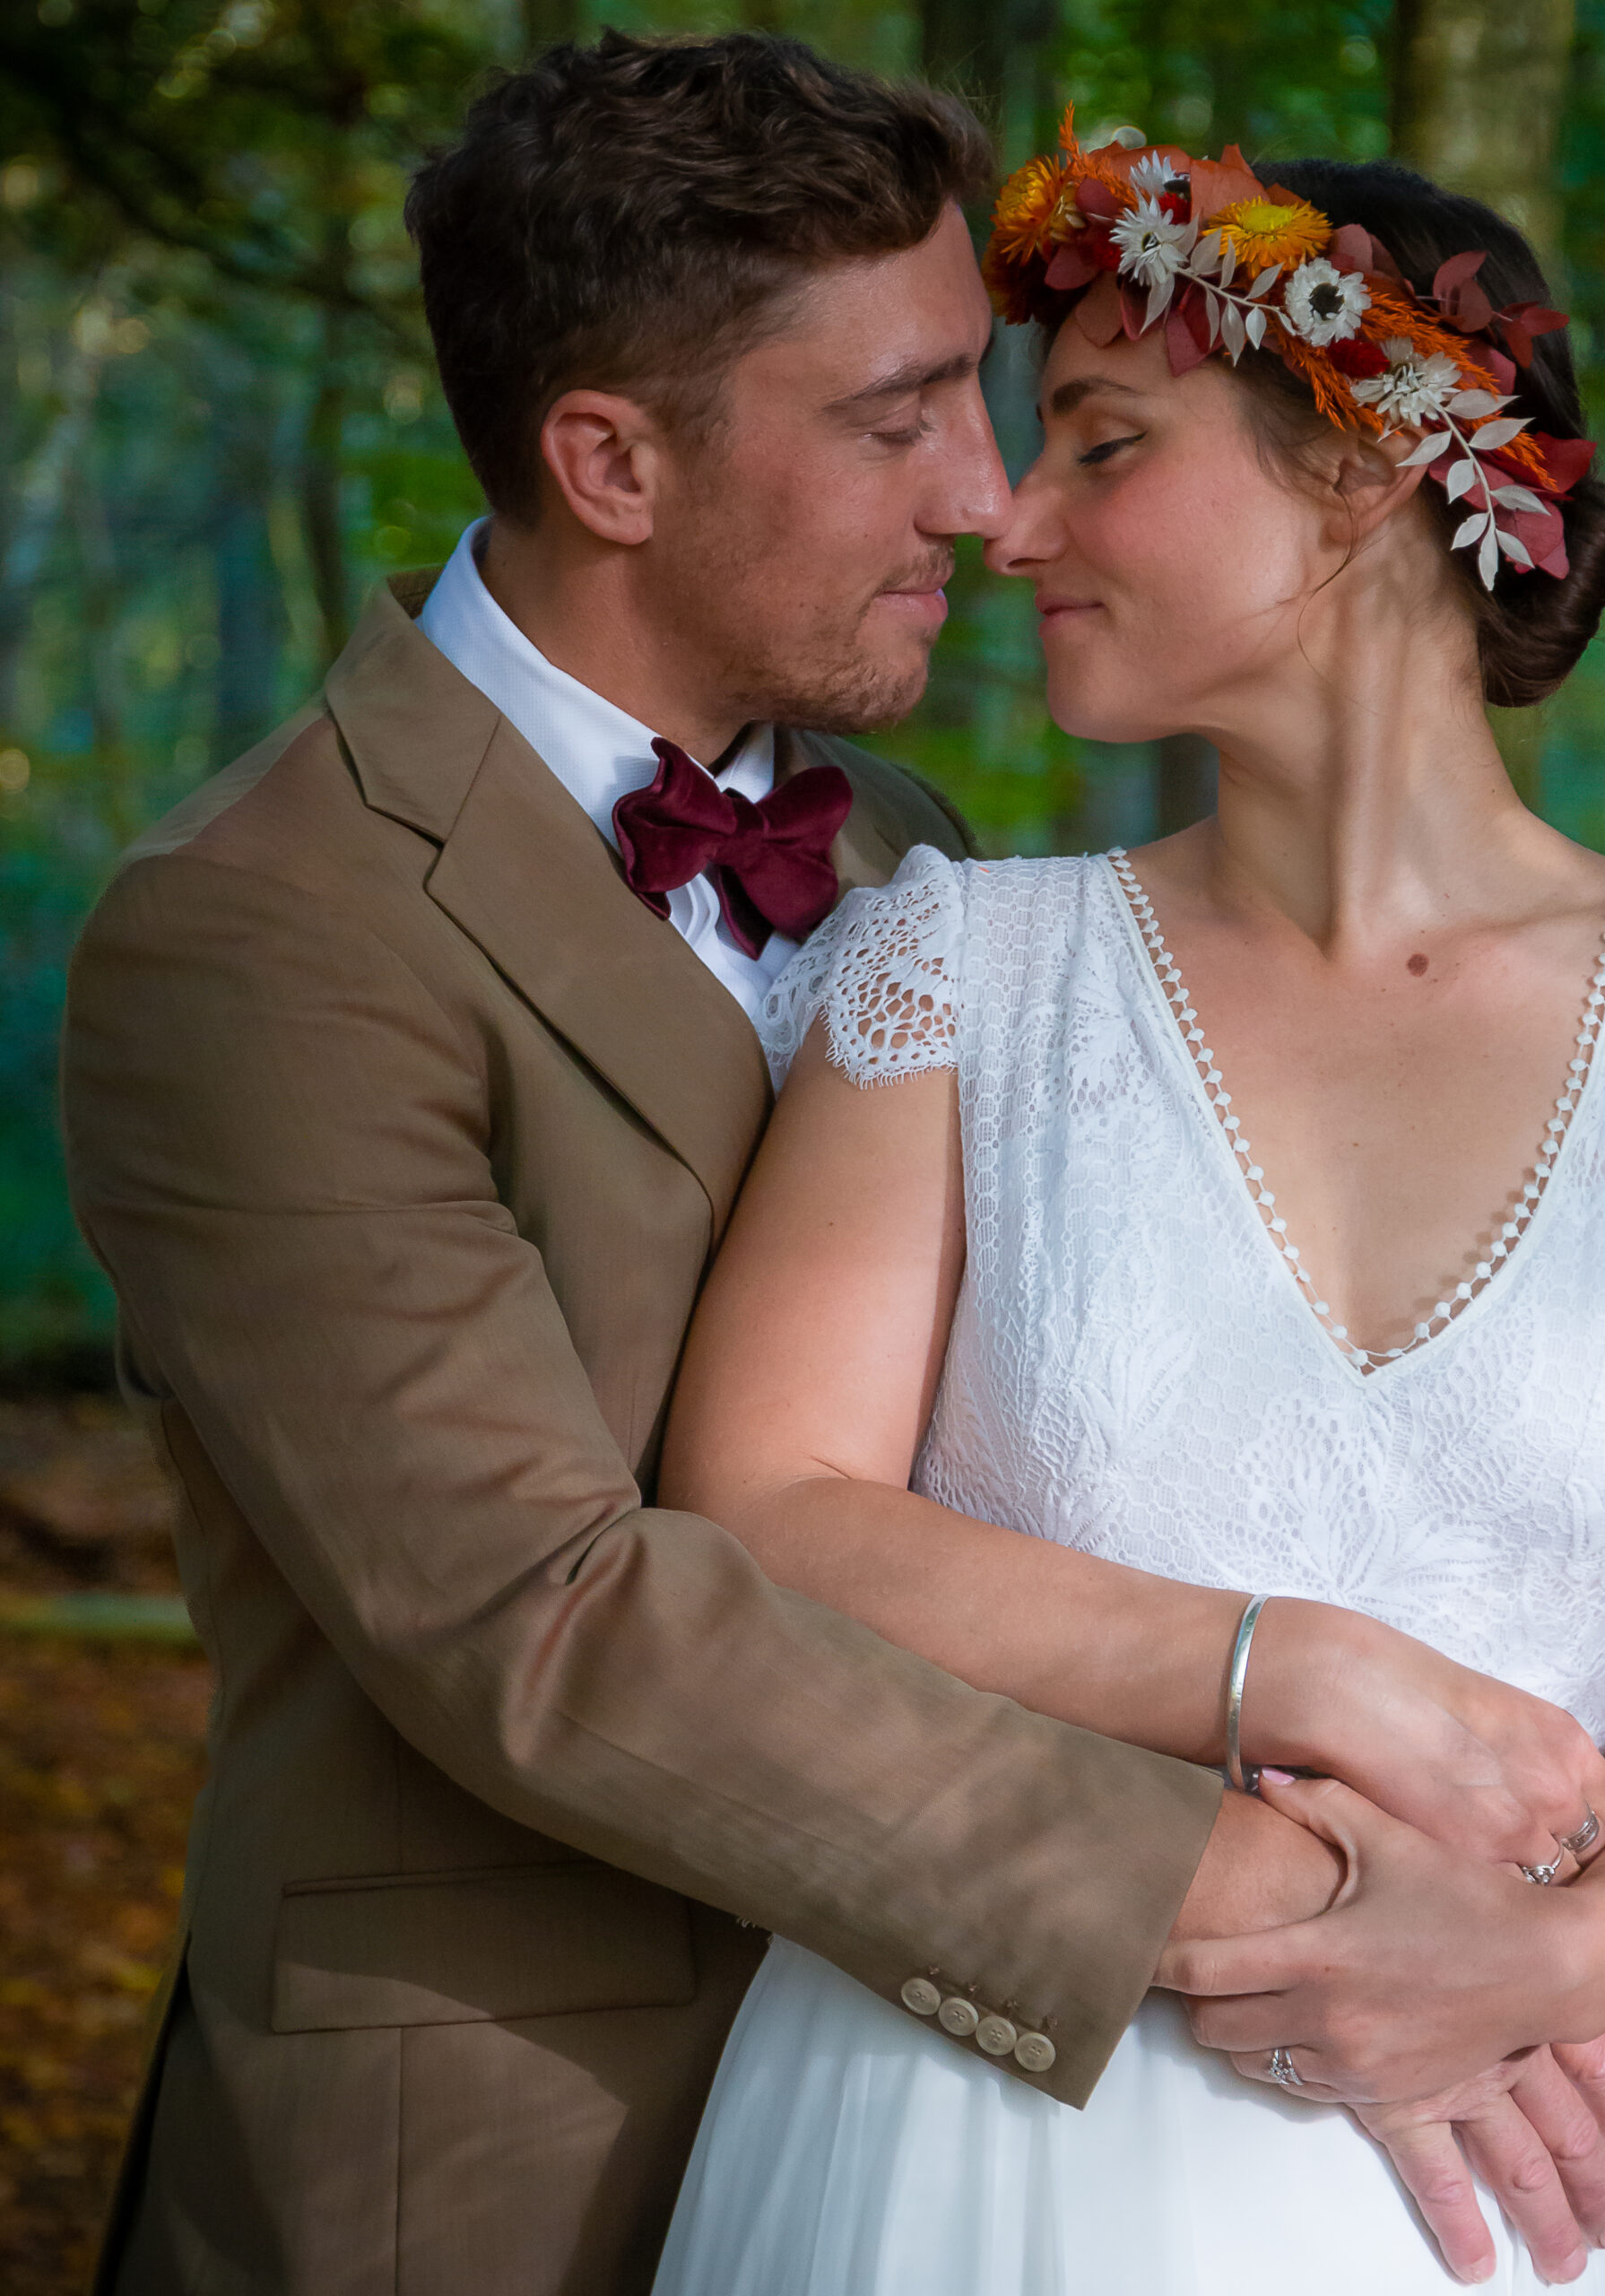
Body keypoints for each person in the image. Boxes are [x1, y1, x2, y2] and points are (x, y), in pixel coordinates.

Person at [59, 39, 1361, 2293]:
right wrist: (1239, 1891)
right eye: (897, 417)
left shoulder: (912, 855)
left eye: (988, 398)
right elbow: (535, 1615)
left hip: (956, 2130)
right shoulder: (257, 925)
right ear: (611, 460)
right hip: (502, 2141)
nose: (987, 497)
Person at [646, 128, 1605, 2292]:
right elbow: (765, 1502)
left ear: (1361, 470)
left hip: (1477, 2171)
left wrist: (1540, 1953)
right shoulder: (961, 970)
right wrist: (1283, 1667)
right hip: (952, 2124)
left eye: (1103, 446)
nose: (1007, 519)